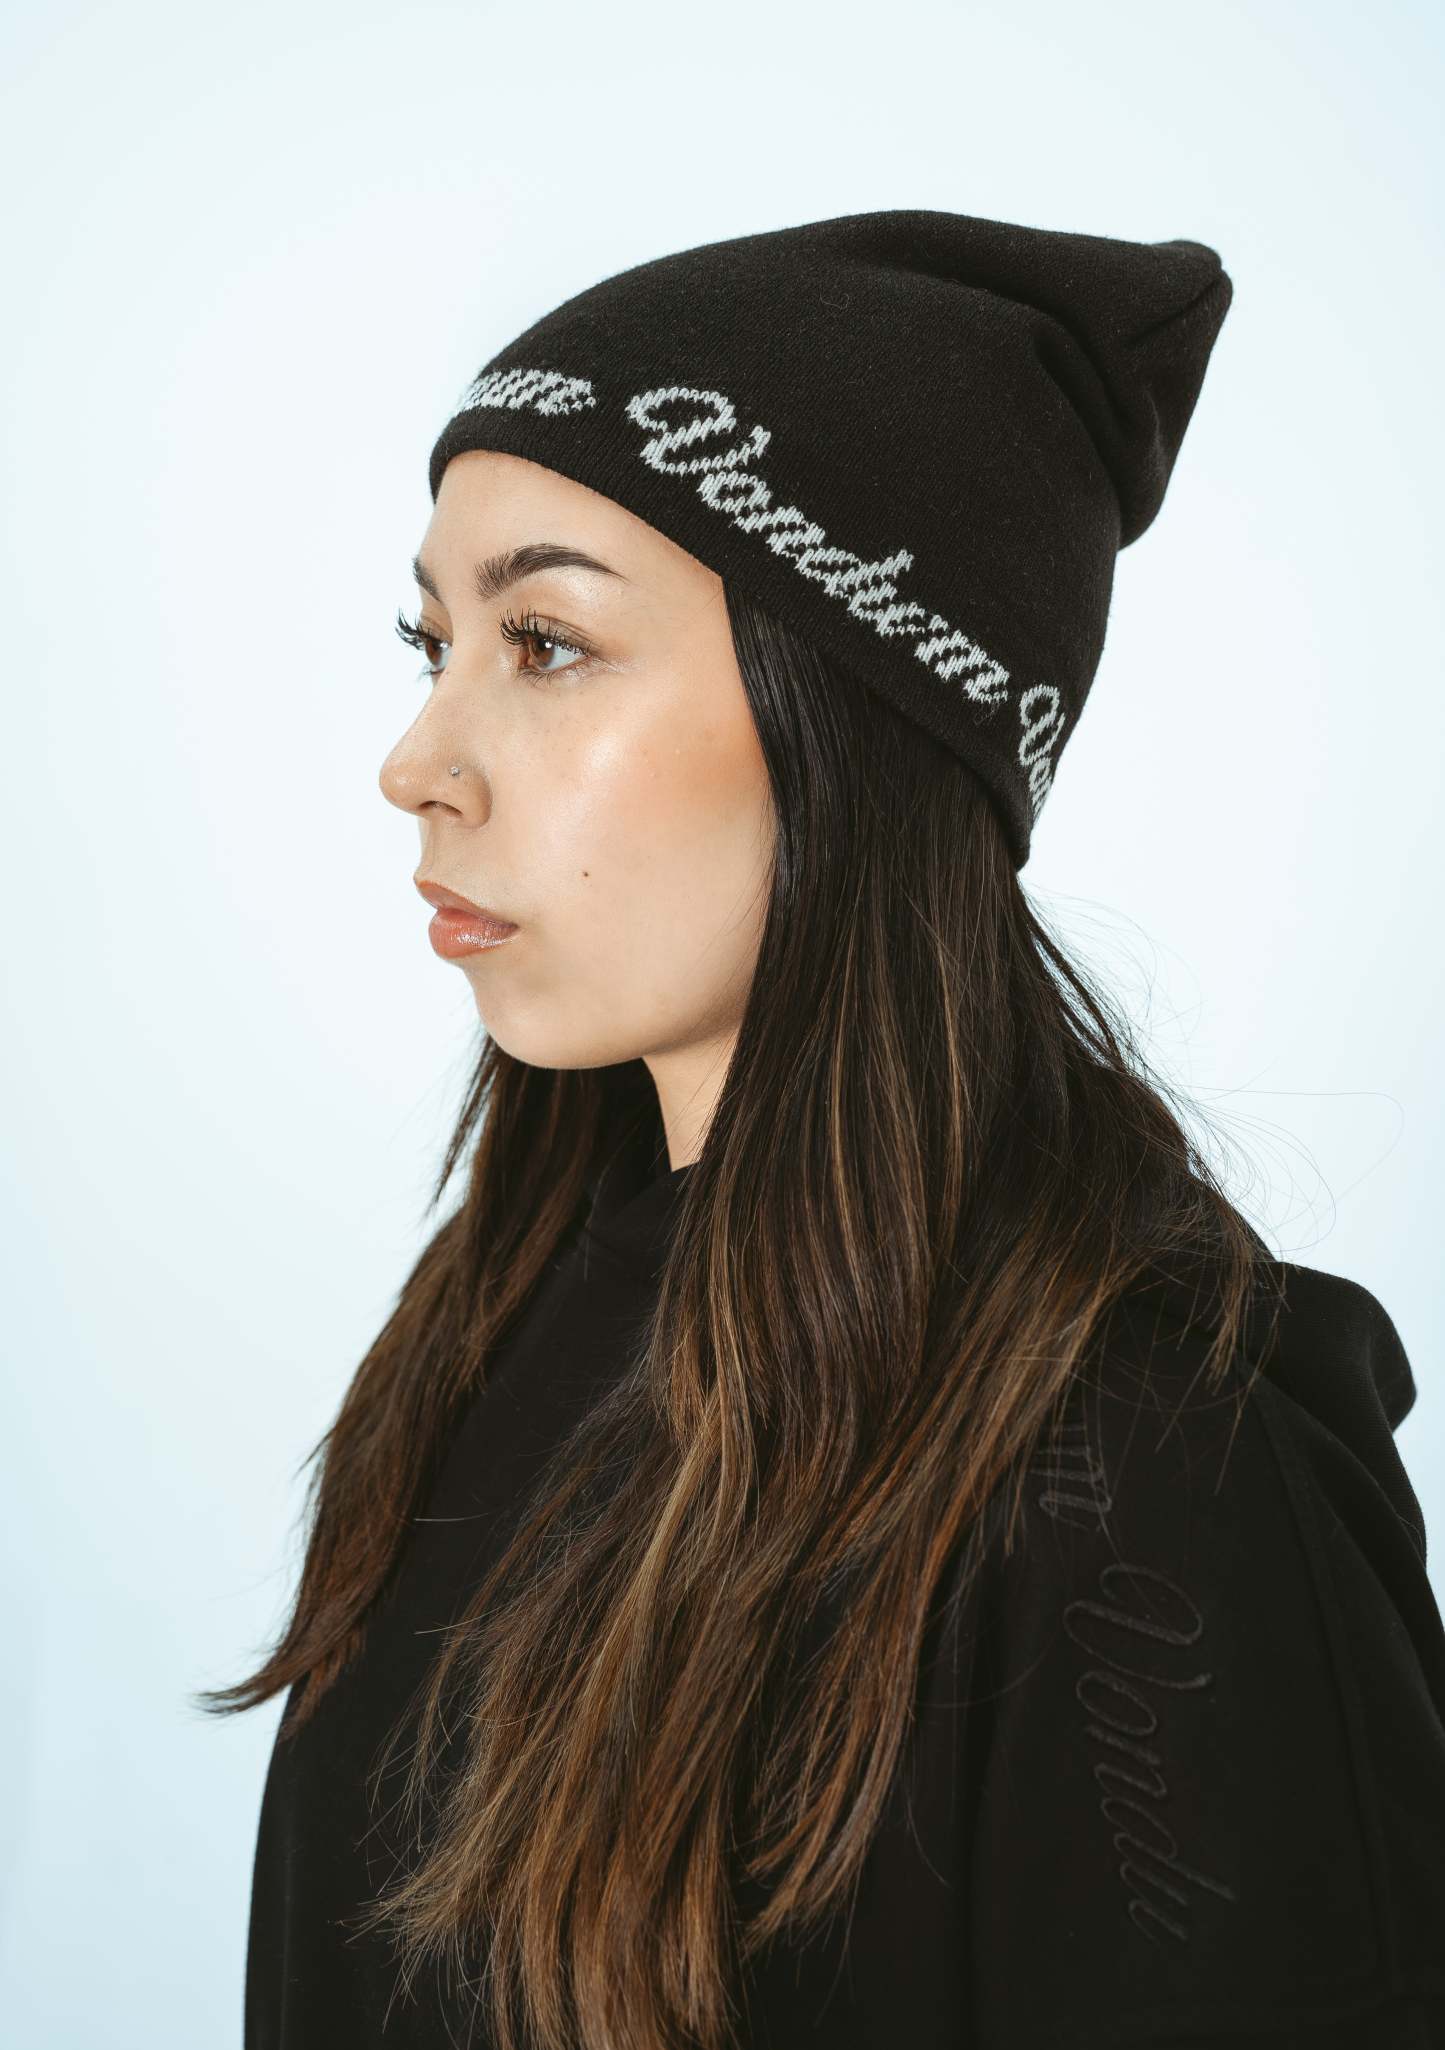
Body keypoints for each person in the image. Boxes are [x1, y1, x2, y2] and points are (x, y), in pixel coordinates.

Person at [203, 209, 1445, 2049]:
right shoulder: (497, 1329)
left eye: (544, 640)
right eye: (431, 637)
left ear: (849, 715)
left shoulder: (1147, 1480)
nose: (416, 763)